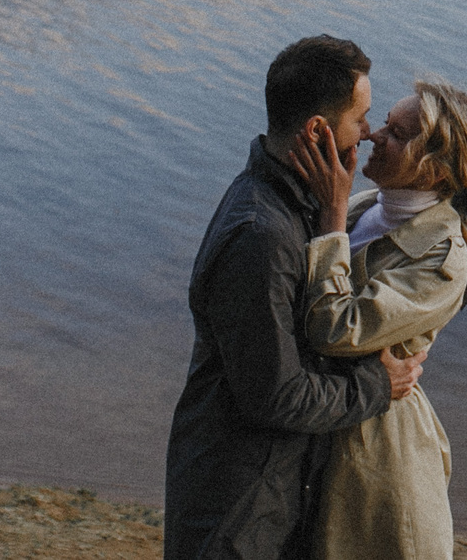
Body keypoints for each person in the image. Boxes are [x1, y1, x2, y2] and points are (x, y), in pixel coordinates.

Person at [164, 35, 424, 560]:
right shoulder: (262, 236)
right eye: (361, 120)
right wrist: (377, 385)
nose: (369, 133)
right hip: (236, 512)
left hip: (271, 495)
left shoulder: (299, 206)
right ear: (316, 131)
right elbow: (276, 395)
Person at [284, 77, 467, 560]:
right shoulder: (370, 207)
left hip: (376, 455)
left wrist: (331, 216)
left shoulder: (443, 260)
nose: (373, 137)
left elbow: (335, 329)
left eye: (399, 135)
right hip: (326, 417)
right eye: (383, 123)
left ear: (437, 169)